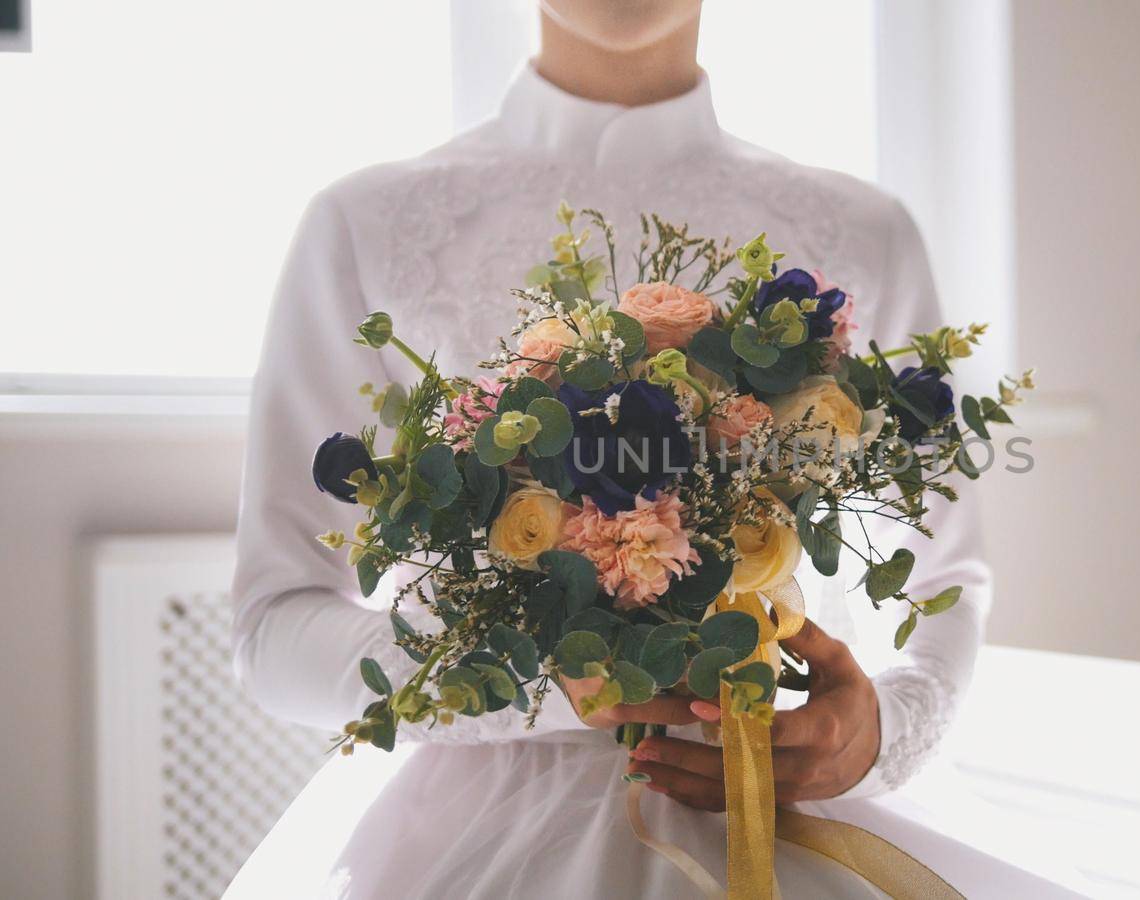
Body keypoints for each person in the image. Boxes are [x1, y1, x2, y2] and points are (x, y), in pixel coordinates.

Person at [228, 2, 1081, 896]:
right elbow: (274, 624)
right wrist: (539, 688)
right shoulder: (366, 223)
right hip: (478, 831)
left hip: (786, 793)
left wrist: (881, 732)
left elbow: (946, 576)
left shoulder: (863, 232)